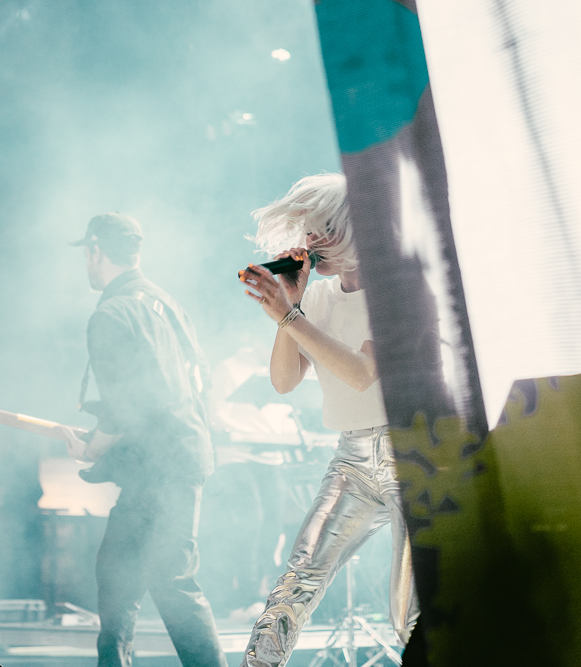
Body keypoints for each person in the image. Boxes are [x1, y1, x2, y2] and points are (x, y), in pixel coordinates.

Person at [236, 173, 418, 666]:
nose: (313, 242)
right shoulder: (315, 298)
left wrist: (292, 318)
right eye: (309, 230)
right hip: (353, 458)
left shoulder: (396, 291)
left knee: (410, 610)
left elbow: (361, 373)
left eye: (326, 229)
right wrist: (288, 310)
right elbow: (283, 380)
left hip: (412, 455)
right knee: (297, 580)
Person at [62, 212, 227, 667]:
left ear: (96, 252)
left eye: (87, 256)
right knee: (115, 573)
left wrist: (92, 448)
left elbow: (122, 408)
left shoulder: (112, 312)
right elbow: (198, 381)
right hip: (174, 460)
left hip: (163, 467)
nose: (86, 265)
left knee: (171, 580)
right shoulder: (166, 304)